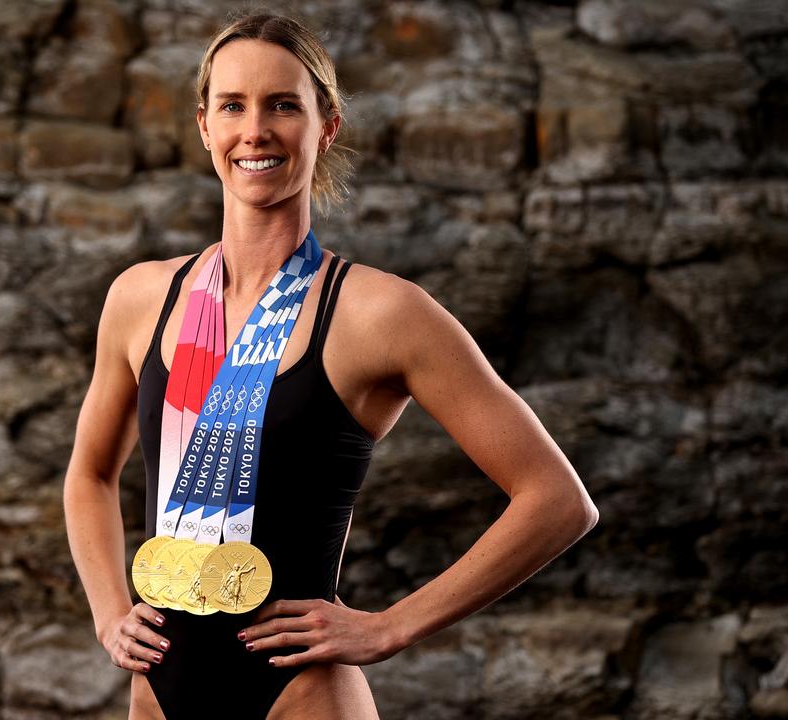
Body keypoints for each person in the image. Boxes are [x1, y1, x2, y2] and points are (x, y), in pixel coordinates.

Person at [63, 12, 599, 720]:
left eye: (284, 105)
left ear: (327, 126)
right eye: (233, 105)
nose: (255, 130)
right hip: (158, 694)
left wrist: (390, 626)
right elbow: (90, 474)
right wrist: (109, 614)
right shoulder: (140, 297)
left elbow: (558, 499)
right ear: (204, 125)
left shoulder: (381, 314)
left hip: (302, 694)